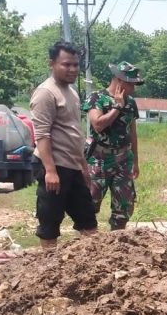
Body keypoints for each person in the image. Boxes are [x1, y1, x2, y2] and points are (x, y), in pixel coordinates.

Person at [30, 41, 97, 248]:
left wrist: (84, 168)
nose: (73, 69)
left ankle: (95, 267)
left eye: (76, 65)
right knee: (50, 222)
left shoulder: (72, 93)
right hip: (54, 166)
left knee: (88, 221)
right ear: (52, 64)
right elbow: (41, 135)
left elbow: (74, 135)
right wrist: (50, 170)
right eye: (66, 64)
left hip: (73, 166)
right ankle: (48, 267)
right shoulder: (45, 93)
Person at [83, 61, 144, 231]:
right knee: (89, 204)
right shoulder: (97, 98)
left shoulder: (131, 102)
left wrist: (136, 161)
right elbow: (97, 125)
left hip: (123, 159)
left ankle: (117, 244)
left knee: (124, 206)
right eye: (131, 84)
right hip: (99, 159)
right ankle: (88, 244)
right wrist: (117, 106)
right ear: (119, 81)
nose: (133, 88)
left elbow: (132, 133)